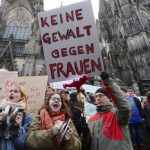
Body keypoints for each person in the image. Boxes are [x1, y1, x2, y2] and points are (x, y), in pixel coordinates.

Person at [88, 72, 133, 150]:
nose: (98, 98)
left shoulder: (117, 114)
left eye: (101, 95)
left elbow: (124, 107)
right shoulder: (90, 119)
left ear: (109, 98)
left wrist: (108, 82)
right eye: (96, 96)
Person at [0, 85, 32, 150]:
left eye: (16, 91)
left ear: (21, 97)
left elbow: (23, 144)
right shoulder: (0, 111)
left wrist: (17, 126)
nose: (12, 93)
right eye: (10, 91)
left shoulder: (26, 117)